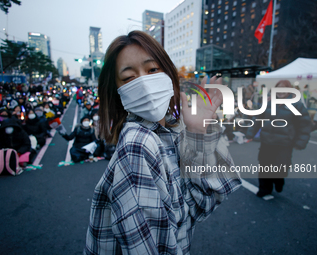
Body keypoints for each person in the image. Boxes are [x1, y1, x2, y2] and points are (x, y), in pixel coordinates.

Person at [84, 31, 241, 254]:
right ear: (117, 91)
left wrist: (197, 132)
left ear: (168, 73)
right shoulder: (138, 144)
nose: (145, 83)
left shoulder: (170, 132)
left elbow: (198, 205)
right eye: (129, 77)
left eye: (152, 70)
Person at [246, 80, 312, 197]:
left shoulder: (297, 105)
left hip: (284, 143)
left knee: (280, 168)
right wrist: (250, 134)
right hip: (267, 141)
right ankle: (264, 189)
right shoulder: (268, 102)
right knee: (264, 166)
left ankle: (278, 180)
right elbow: (257, 118)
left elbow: (305, 125)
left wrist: (300, 142)